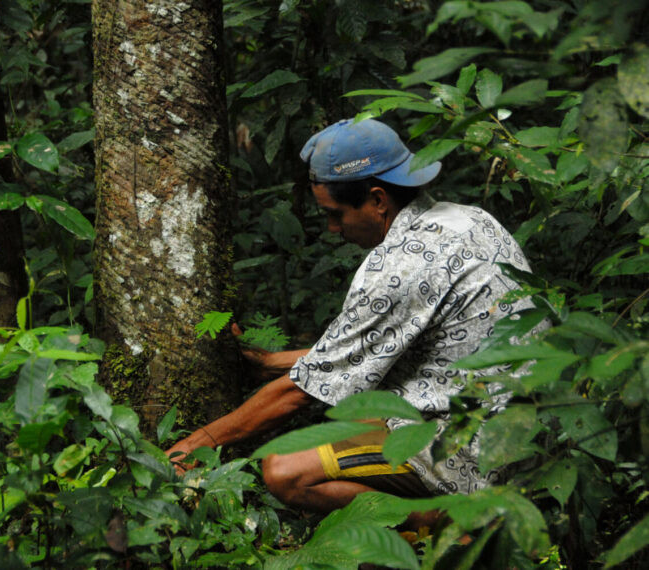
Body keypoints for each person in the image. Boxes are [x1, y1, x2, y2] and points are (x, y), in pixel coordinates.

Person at [165, 118, 537, 516]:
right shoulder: (470, 220)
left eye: (336, 214)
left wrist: (199, 441)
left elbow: (301, 393)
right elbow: (373, 349)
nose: (331, 228)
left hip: (473, 447)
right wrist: (269, 363)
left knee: (285, 470)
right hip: (525, 433)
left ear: (378, 200)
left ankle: (450, 522)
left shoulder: (401, 267)